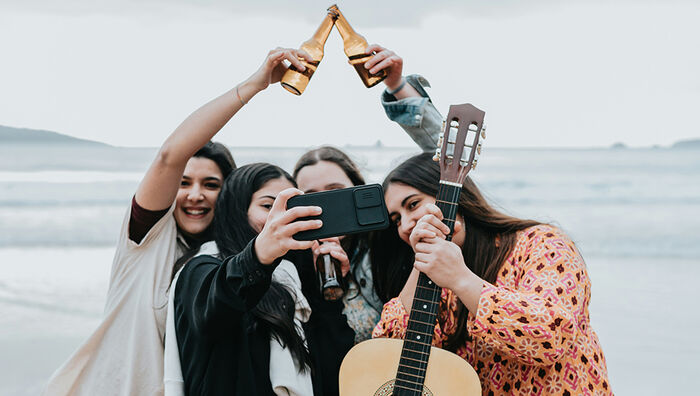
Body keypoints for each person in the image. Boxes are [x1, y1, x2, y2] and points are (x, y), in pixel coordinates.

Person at [44, 47, 313, 396]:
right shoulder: (145, 242)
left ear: (229, 196)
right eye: (184, 183)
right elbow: (170, 156)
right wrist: (255, 84)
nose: (195, 195)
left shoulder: (231, 263)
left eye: (211, 185)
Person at [371, 153, 612, 395]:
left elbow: (549, 335)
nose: (405, 225)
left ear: (450, 195)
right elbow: (389, 358)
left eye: (413, 204)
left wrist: (461, 279)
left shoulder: (541, 243)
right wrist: (421, 264)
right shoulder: (435, 281)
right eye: (396, 220)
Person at [292, 44, 443, 343]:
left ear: (357, 189)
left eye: (335, 192)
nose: (325, 208)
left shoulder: (388, 236)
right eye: (312, 197)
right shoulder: (292, 262)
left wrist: (398, 86)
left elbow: (448, 164)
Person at [172, 163, 354, 395]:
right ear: (236, 209)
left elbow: (335, 373)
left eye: (290, 210)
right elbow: (216, 307)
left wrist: (328, 292)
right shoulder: (201, 268)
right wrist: (259, 255)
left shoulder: (292, 281)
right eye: (268, 206)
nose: (280, 219)